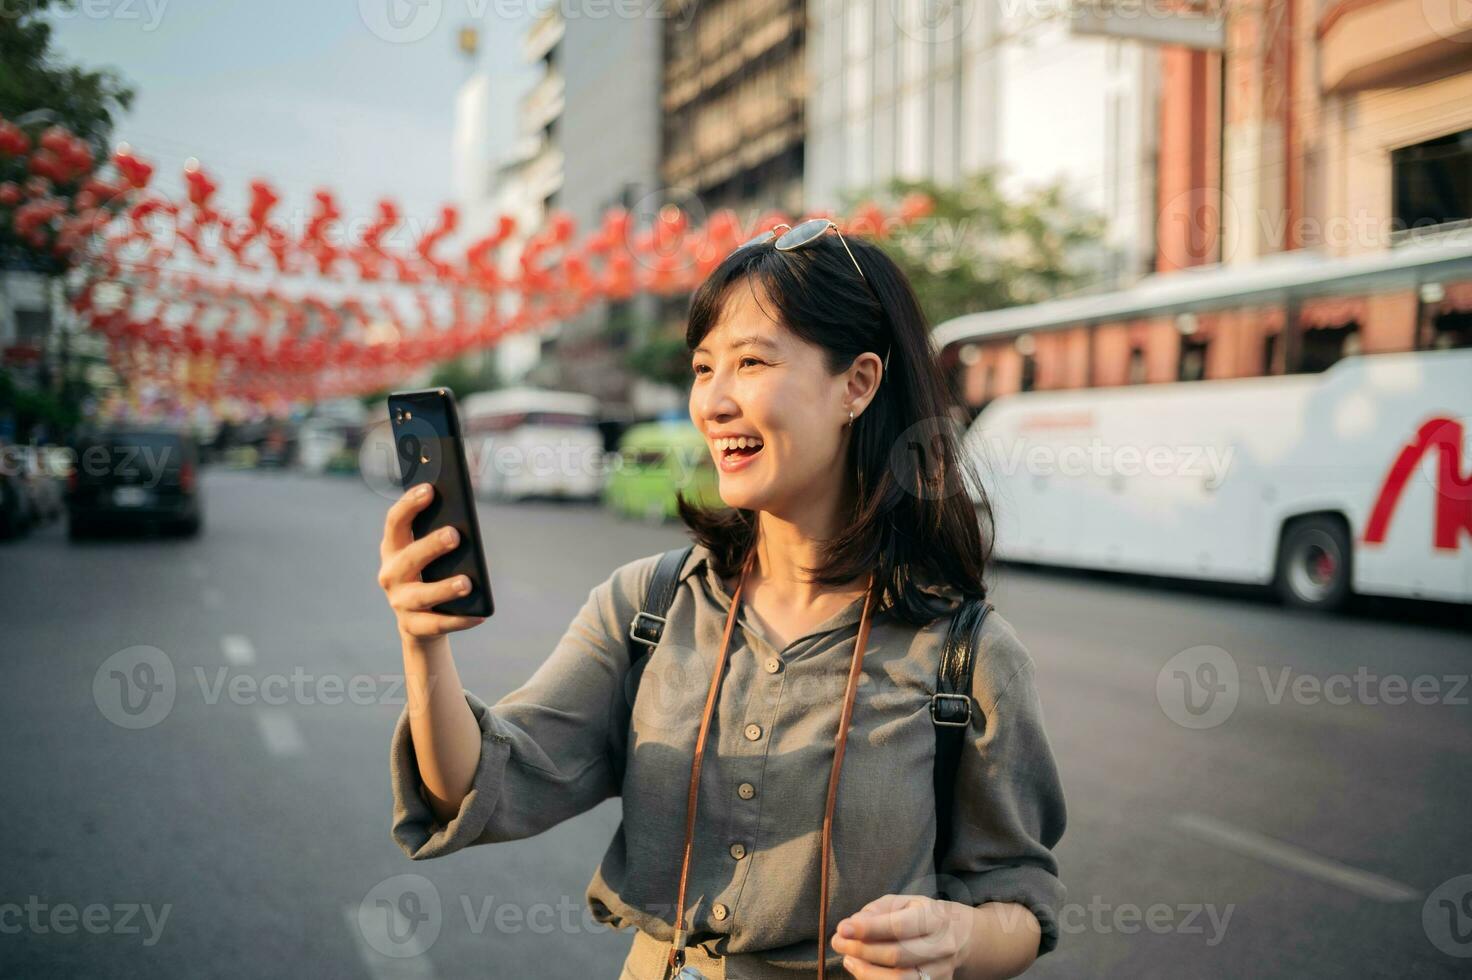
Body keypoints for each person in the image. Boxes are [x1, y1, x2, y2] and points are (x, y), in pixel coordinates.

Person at [377, 220, 1067, 980]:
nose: (714, 401)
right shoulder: (647, 606)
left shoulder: (969, 654)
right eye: (704, 368)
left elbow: (1020, 903)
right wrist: (423, 642)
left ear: (858, 384)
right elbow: (481, 785)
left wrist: (960, 940)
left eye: (751, 362)